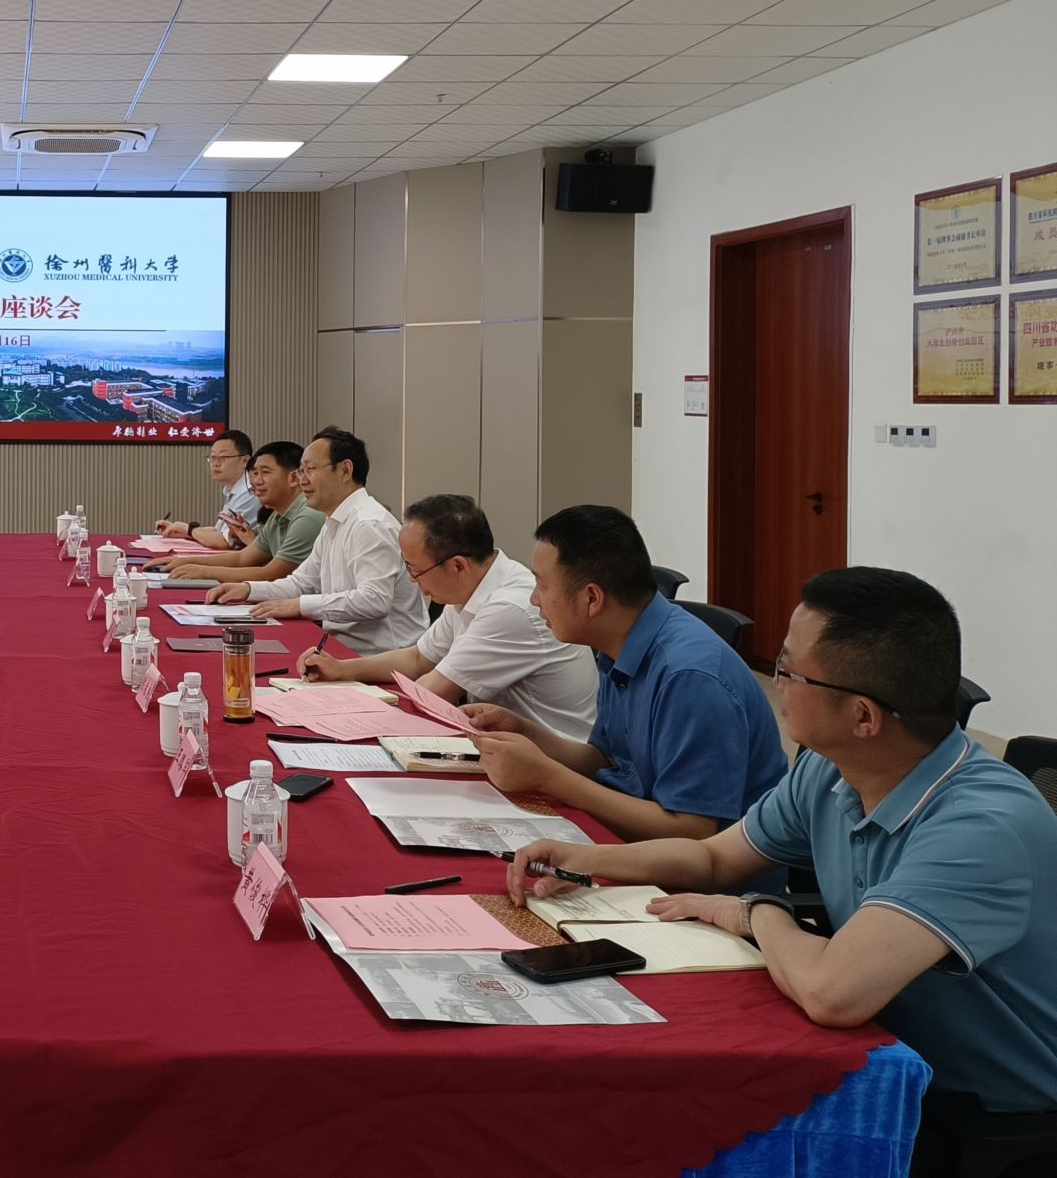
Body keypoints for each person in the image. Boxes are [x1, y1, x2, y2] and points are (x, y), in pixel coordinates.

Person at [506, 568, 1057, 1166]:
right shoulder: (831, 767)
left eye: (790, 671)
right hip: (890, 1056)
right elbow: (715, 857)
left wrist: (758, 914)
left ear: (863, 717)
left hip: (997, 1122)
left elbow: (832, 994)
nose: (775, 682)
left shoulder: (980, 828)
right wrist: (585, 858)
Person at [465, 504, 786, 842]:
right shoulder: (618, 643)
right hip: (637, 837)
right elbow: (607, 760)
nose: (534, 600)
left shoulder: (690, 676)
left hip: (702, 869)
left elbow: (690, 831)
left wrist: (549, 778)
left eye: (542, 586)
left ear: (592, 598)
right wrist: (526, 732)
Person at [299, 494, 596, 740]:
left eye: (415, 569)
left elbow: (430, 693)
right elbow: (418, 658)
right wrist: (342, 670)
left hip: (554, 759)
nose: (412, 579)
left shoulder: (509, 608)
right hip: (509, 746)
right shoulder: (473, 586)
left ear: (457, 566)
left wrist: (335, 707)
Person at [205, 426, 427, 655]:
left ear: (345, 470)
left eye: (309, 470)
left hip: (379, 657)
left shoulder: (369, 524)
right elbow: (301, 583)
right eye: (301, 471)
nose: (302, 480)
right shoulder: (334, 522)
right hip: (343, 649)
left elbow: (374, 601)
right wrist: (247, 589)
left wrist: (299, 605)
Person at [156, 441, 323, 584]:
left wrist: (203, 572)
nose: (256, 481)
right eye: (255, 473)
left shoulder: (307, 517)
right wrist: (184, 562)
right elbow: (242, 558)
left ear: (293, 478)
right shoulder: (277, 515)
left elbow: (271, 574)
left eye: (265, 472)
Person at [153, 430, 261, 551]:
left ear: (245, 461)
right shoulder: (234, 490)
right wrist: (179, 529)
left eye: (223, 457)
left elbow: (225, 541)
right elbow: (218, 531)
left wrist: (188, 529)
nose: (215, 463)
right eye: (213, 457)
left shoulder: (250, 492)